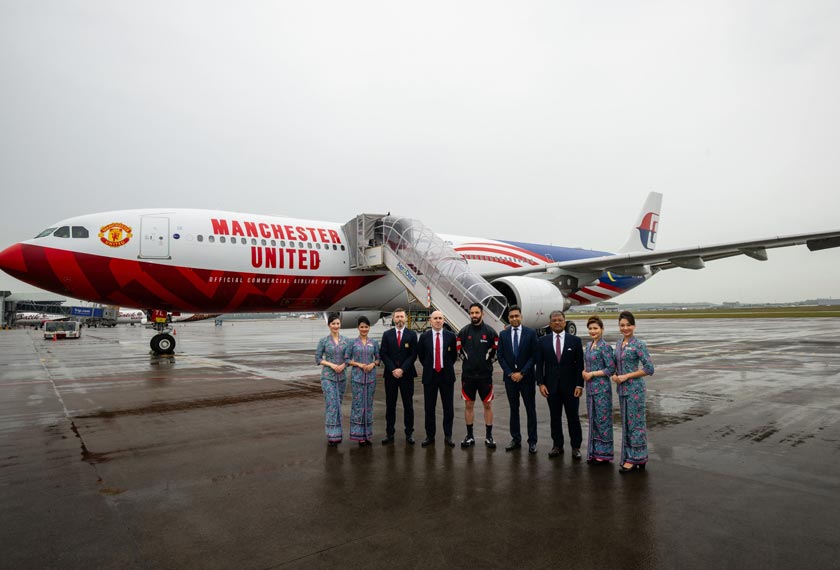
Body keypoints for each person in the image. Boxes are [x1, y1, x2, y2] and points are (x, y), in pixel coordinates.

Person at [535, 310, 585, 459]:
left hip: (571, 388)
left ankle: (576, 447)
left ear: (565, 322)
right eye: (554, 320)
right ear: (550, 323)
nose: (557, 322)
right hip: (551, 387)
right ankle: (557, 445)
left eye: (560, 320)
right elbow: (539, 364)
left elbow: (579, 366)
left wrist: (579, 385)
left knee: (573, 418)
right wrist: (541, 383)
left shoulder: (575, 341)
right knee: (555, 417)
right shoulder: (542, 341)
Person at [611, 311, 655, 473]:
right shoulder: (618, 343)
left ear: (634, 326)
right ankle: (636, 456)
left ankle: (634, 458)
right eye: (622, 325)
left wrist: (626, 376)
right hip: (622, 389)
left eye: (628, 325)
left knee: (636, 424)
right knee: (627, 424)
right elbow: (616, 364)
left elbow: (649, 368)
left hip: (635, 389)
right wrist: (615, 375)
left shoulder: (638, 344)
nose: (625, 328)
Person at [496, 305, 539, 453]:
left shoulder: (531, 333)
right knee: (514, 410)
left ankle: (532, 441)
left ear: (521, 316)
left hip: (526, 378)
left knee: (530, 409)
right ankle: (516, 438)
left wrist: (522, 373)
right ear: (508, 318)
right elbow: (500, 356)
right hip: (510, 379)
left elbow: (534, 356)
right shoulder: (503, 334)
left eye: (516, 316)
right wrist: (510, 373)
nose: (514, 318)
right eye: (511, 316)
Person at [456, 303, 499, 449]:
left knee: (487, 405)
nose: (474, 315)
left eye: (477, 313)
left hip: (485, 376)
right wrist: (469, 363)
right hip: (468, 376)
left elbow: (496, 351)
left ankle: (489, 436)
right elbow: (458, 350)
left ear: (482, 314)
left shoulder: (491, 332)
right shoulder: (463, 332)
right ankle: (470, 436)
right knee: (469, 405)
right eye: (472, 313)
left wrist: (486, 363)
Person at [417, 310, 458, 447]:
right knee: (429, 408)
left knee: (448, 408)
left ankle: (448, 435)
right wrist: (431, 366)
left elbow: (453, 356)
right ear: (430, 320)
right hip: (430, 375)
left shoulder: (451, 336)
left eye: (440, 318)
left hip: (446, 376)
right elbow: (422, 356)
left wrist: (444, 366)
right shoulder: (424, 337)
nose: (438, 320)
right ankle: (430, 436)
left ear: (444, 320)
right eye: (435, 318)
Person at [379, 308, 418, 445]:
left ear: (405, 318)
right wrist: (393, 369)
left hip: (406, 375)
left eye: (402, 317)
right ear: (393, 319)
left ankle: (409, 433)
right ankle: (390, 433)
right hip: (391, 376)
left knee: (408, 405)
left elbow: (413, 355)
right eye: (397, 317)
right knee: (390, 405)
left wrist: (402, 369)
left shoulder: (412, 334)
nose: (400, 319)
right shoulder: (387, 334)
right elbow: (383, 354)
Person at [582, 316, 616, 464]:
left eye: (595, 328)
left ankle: (604, 455)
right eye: (590, 328)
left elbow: (610, 369)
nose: (592, 331)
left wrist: (592, 374)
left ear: (602, 329)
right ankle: (595, 452)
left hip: (602, 388)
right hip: (590, 388)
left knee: (603, 421)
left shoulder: (605, 347)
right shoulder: (589, 345)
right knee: (594, 420)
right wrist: (584, 372)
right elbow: (587, 364)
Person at [344, 316, 381, 447]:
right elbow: (347, 359)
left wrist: (373, 364)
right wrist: (359, 364)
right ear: (358, 328)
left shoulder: (374, 343)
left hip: (370, 378)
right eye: (362, 327)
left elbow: (378, 358)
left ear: (369, 328)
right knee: (358, 406)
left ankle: (368, 435)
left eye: (366, 327)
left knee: (369, 406)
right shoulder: (352, 343)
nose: (364, 329)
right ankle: (358, 436)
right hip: (357, 378)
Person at [315, 313, 350, 446]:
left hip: (342, 377)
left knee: (338, 404)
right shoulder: (323, 341)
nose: (336, 326)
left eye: (337, 324)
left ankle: (338, 433)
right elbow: (318, 359)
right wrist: (332, 365)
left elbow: (349, 358)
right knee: (332, 405)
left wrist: (343, 365)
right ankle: (332, 435)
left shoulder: (346, 341)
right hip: (328, 377)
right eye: (333, 324)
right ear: (329, 325)